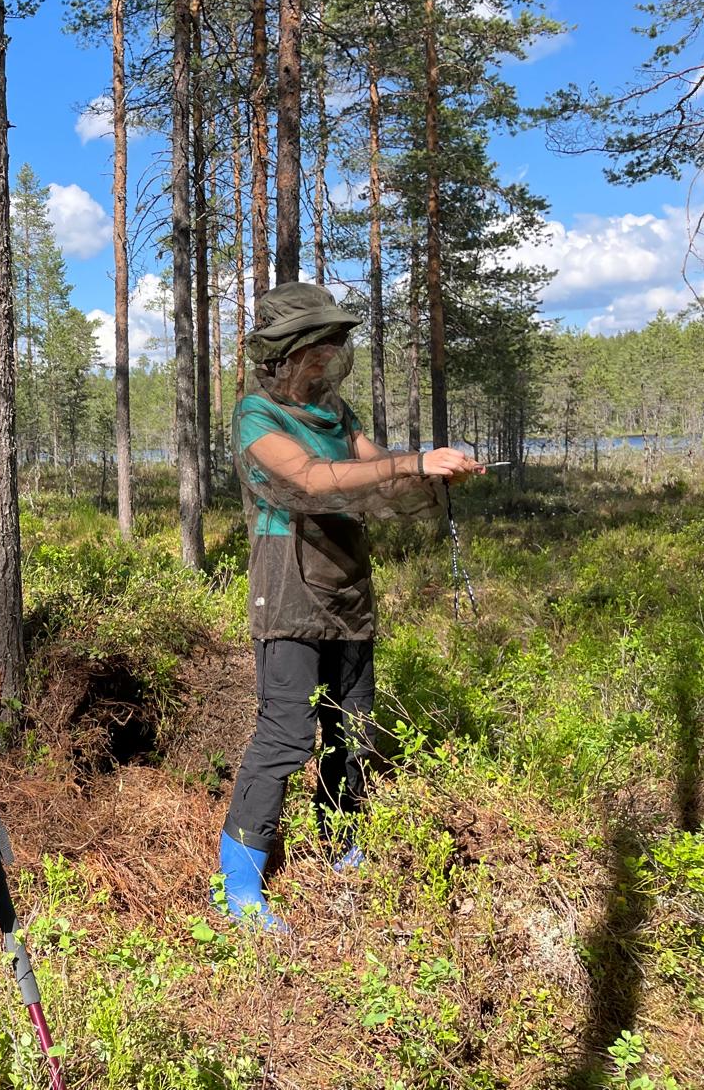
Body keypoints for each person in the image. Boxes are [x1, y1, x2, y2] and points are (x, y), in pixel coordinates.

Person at [217, 282, 481, 931]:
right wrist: (411, 462)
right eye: (321, 343)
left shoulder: (337, 411)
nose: (331, 354)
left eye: (336, 343)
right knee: (286, 730)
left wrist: (429, 469)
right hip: (287, 581)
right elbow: (311, 480)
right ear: (286, 350)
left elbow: (375, 466)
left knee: (351, 725)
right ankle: (241, 885)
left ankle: (342, 845)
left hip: (347, 582)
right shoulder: (257, 414)